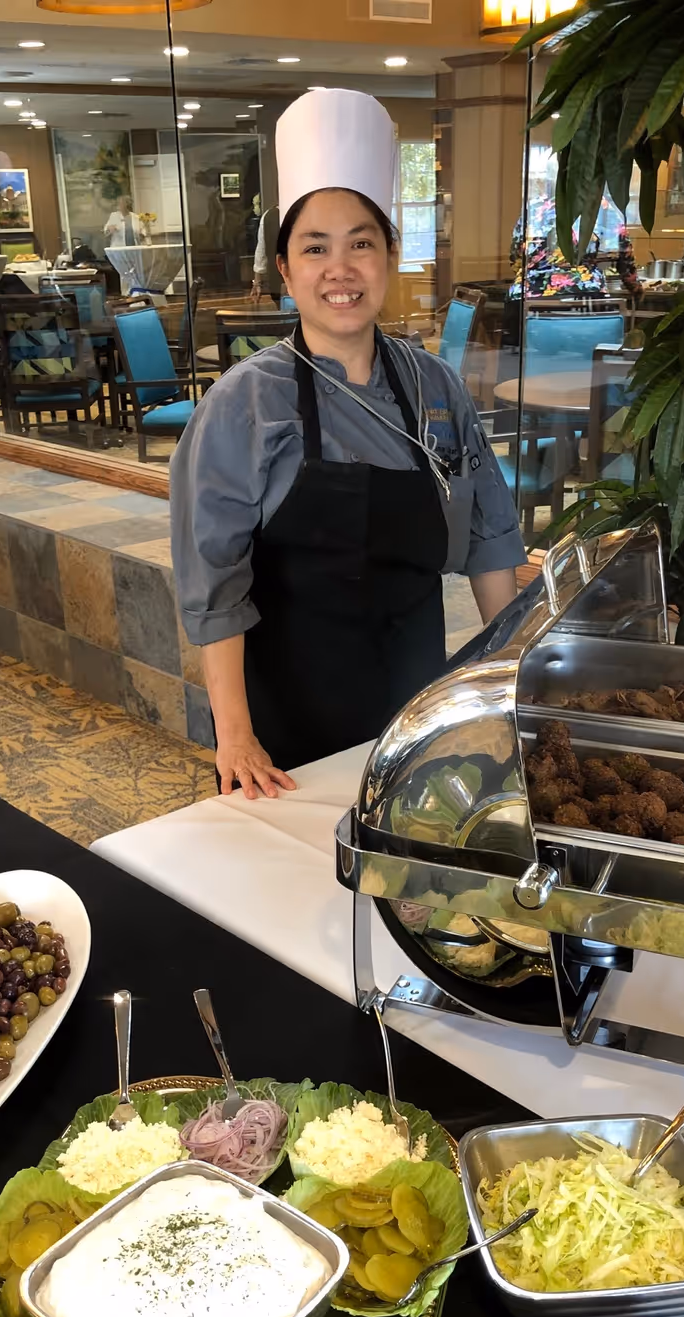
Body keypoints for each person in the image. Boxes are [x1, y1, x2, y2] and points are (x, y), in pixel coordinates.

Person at [171, 88, 524, 799]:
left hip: (415, 715)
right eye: (316, 248)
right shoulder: (246, 402)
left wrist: (511, 684)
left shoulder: (435, 387)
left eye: (361, 243)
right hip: (288, 728)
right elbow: (214, 582)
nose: (341, 269)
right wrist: (234, 734)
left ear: (390, 254)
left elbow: (490, 541)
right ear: (286, 271)